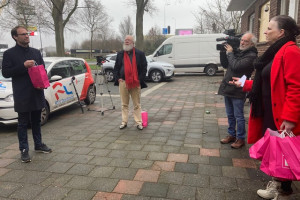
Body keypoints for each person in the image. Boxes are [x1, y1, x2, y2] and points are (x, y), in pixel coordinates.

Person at [231, 15, 300, 199]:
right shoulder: (274, 51)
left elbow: (296, 87)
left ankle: (281, 189)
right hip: (268, 109)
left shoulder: (290, 52)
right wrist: (245, 84)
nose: (265, 31)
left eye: (269, 28)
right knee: (277, 150)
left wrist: (290, 118)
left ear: (281, 32)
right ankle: (280, 186)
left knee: (283, 151)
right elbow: (267, 81)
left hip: (280, 113)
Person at [2, 26, 52, 163]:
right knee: (23, 123)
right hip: (22, 93)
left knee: (36, 121)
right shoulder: (9, 54)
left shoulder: (36, 52)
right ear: (15, 37)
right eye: (23, 34)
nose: (27, 36)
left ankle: (38, 144)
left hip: (37, 92)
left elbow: (42, 69)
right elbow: (6, 73)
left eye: (27, 34)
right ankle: (24, 150)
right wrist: (23, 66)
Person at [218, 32, 258, 149]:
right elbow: (226, 65)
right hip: (228, 86)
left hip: (239, 88)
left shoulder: (251, 55)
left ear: (251, 43)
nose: (242, 42)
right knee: (230, 114)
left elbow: (236, 66)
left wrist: (230, 53)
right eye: (242, 40)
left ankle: (240, 138)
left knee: (238, 115)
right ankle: (231, 134)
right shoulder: (238, 52)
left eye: (245, 41)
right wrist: (223, 52)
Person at [113, 35, 147, 130]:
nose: (126, 41)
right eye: (125, 40)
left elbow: (144, 68)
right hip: (123, 82)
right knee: (124, 104)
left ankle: (138, 122)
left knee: (136, 104)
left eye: (128, 40)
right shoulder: (120, 54)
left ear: (133, 43)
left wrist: (139, 80)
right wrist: (118, 78)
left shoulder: (139, 54)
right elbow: (116, 68)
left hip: (135, 83)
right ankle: (124, 122)